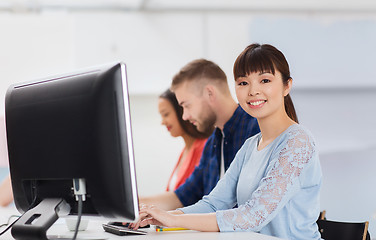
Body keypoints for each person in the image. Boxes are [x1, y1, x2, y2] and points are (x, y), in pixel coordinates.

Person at [132, 43, 322, 240]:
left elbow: (253, 215)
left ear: (287, 85)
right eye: (243, 83)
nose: (253, 91)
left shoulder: (298, 141)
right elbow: (213, 203)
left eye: (265, 80)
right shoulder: (251, 145)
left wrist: (175, 221)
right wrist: (162, 217)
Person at [140, 59, 260, 210]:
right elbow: (182, 196)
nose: (184, 116)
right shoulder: (212, 143)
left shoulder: (255, 129)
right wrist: (135, 204)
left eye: (187, 105)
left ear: (210, 93)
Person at [158, 89, 211, 191]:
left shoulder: (204, 148)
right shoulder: (185, 150)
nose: (162, 122)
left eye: (165, 114)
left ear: (182, 111)